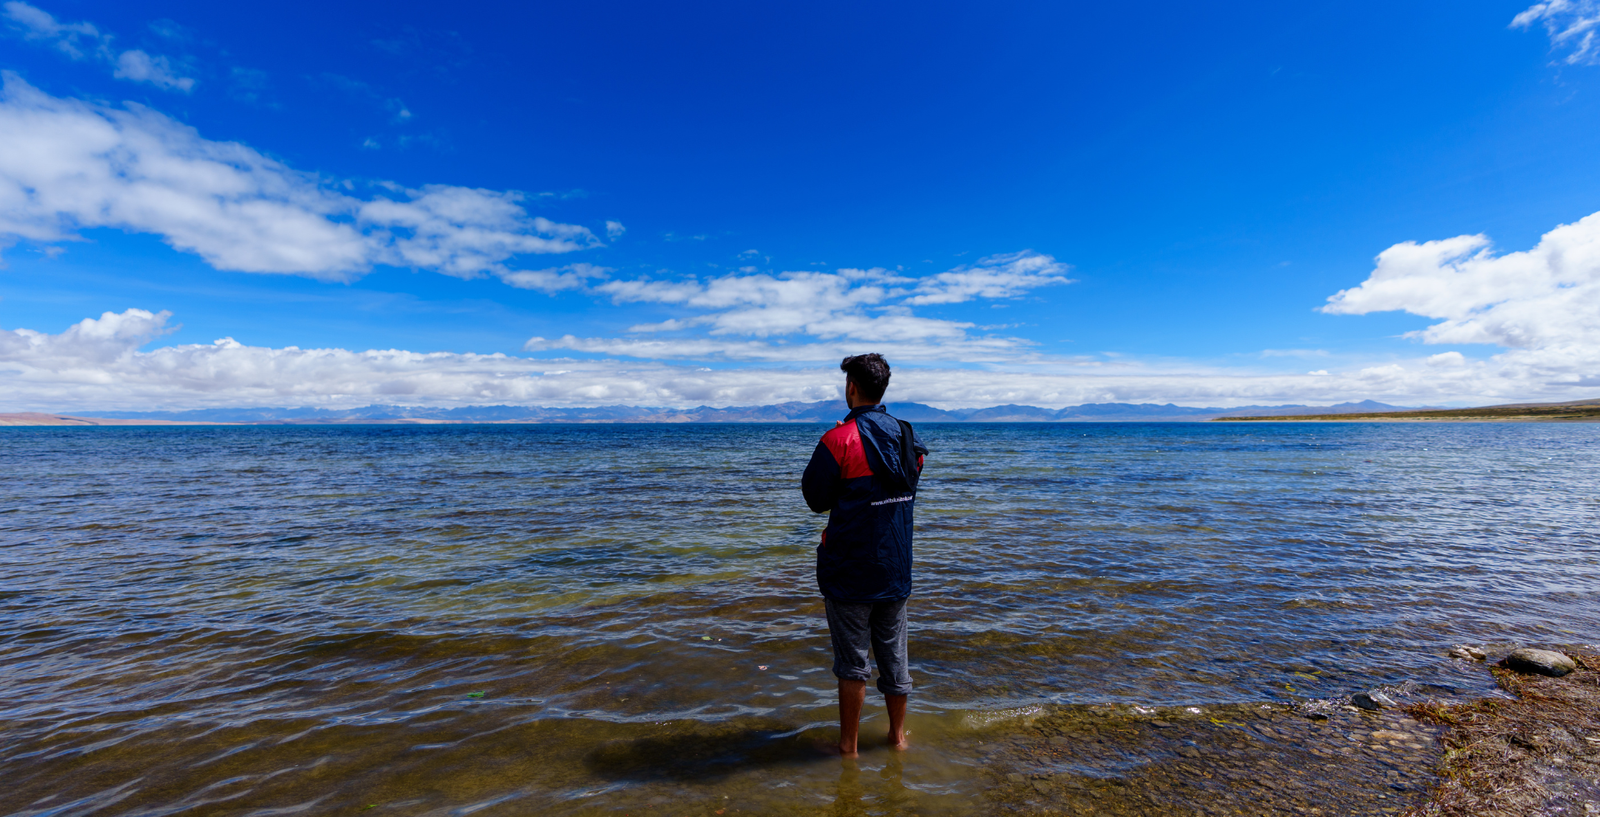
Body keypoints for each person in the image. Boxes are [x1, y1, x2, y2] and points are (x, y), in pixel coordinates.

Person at [801, 353, 928, 757]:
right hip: (895, 568)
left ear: (851, 387)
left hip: (850, 570)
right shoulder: (909, 437)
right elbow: (906, 484)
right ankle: (898, 738)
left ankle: (849, 748)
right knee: (895, 659)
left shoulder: (838, 439)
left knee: (852, 663)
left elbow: (815, 499)